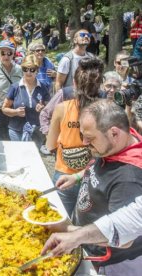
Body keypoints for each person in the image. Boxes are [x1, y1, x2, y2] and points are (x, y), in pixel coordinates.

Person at [44, 100, 142, 275]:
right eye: (82, 135)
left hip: (107, 262)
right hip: (85, 240)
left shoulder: (129, 179)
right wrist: (77, 176)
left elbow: (124, 239)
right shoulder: (117, 144)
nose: (83, 142)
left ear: (114, 133)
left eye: (89, 138)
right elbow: (100, 168)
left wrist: (69, 231)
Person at [46, 57, 104, 216]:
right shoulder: (106, 111)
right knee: (89, 223)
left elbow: (50, 145)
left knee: (60, 219)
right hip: (96, 174)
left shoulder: (62, 108)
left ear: (74, 83)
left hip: (65, 174)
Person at [41, 195, 142, 256]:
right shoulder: (105, 160)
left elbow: (126, 234)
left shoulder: (128, 181)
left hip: (106, 259)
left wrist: (71, 230)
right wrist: (77, 177)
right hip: (85, 237)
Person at [2, 54, 50, 148]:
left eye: (32, 69)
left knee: (33, 158)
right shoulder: (15, 87)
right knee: (19, 158)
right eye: (25, 69)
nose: (28, 72)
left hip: (36, 132)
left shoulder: (43, 88)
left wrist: (43, 108)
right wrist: (15, 112)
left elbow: (50, 111)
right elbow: (4, 109)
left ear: (37, 70)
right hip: (16, 131)